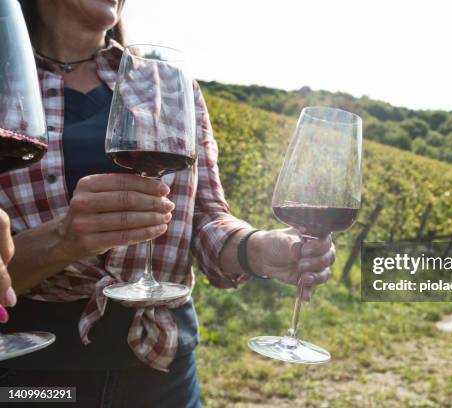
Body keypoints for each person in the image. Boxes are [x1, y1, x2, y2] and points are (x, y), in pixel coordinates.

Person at [0, 1, 335, 407]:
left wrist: (255, 249)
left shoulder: (168, 85)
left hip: (159, 366)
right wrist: (63, 238)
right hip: (29, 366)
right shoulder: (8, 81)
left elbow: (206, 217)